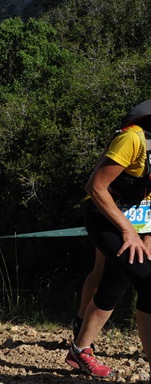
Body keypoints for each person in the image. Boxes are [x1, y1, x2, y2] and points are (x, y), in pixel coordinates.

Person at [64, 99, 151, 379]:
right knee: (149, 283)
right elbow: (96, 186)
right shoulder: (132, 138)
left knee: (113, 288)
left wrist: (147, 234)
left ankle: (79, 351)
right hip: (106, 219)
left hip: (139, 224)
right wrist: (128, 231)